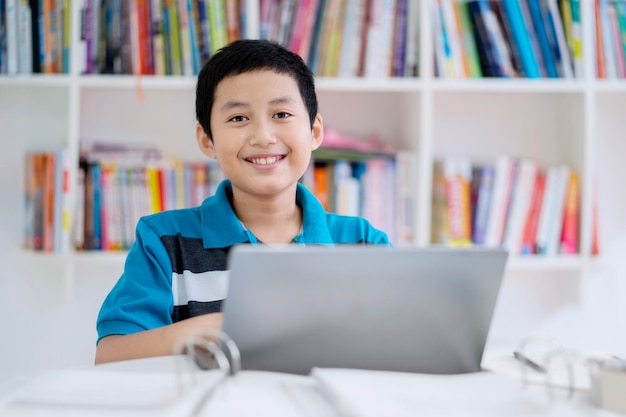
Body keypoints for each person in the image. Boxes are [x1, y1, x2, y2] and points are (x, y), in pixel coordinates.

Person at [95, 39, 390, 364]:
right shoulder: (164, 241)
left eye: (281, 113)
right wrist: (213, 329)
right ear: (207, 140)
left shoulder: (364, 243)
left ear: (314, 131)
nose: (263, 136)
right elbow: (111, 356)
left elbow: (400, 346)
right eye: (238, 118)